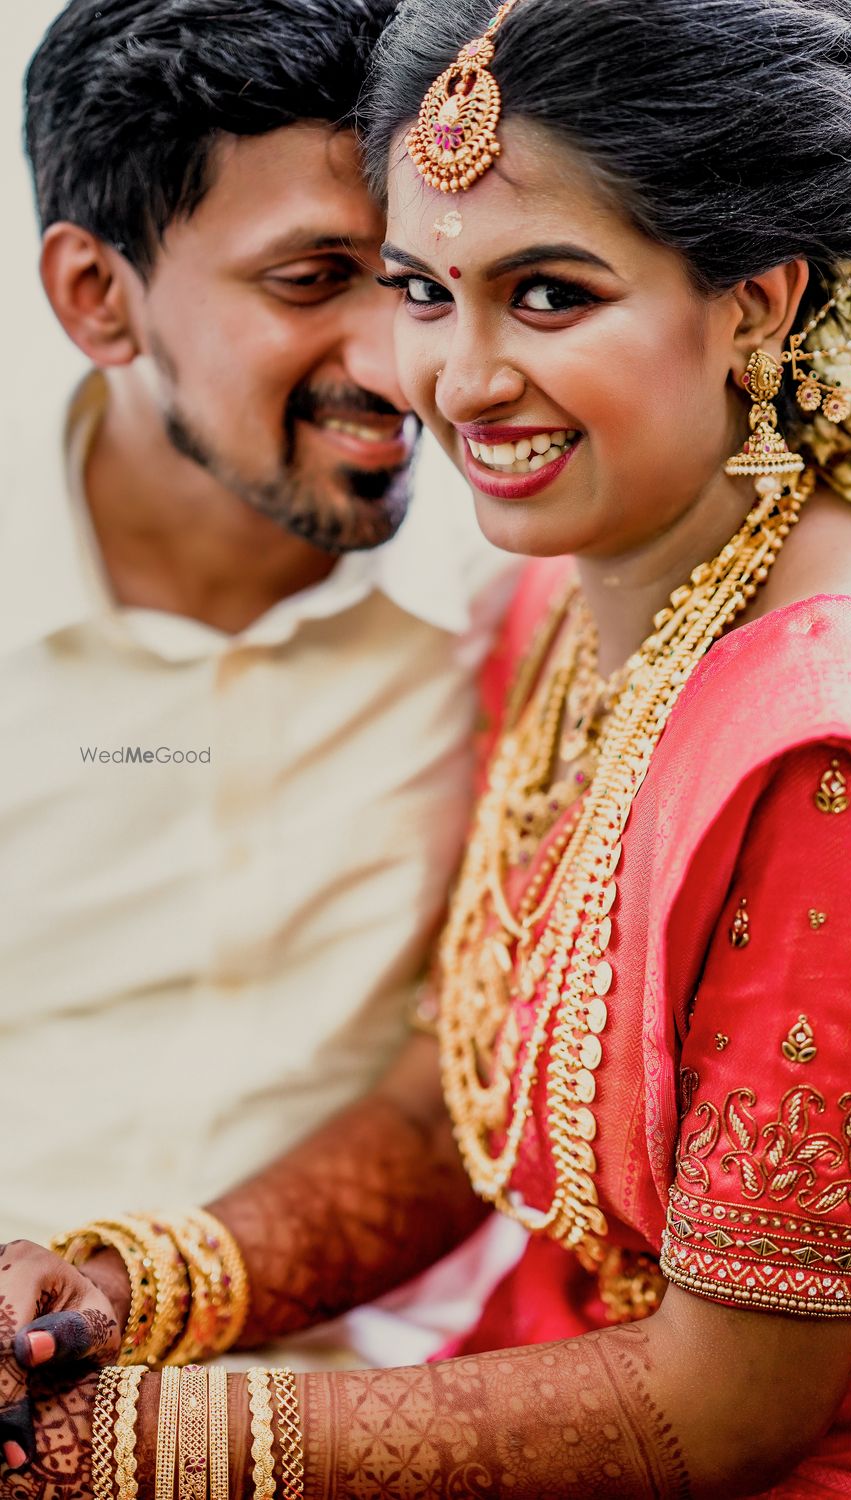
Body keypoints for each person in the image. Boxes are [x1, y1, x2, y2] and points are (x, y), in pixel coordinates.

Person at [4, 0, 851, 1497]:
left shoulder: (834, 762)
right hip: (510, 1360)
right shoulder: (555, 592)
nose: (450, 380)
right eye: (424, 285)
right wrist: (139, 1287)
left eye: (548, 296)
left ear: (757, 301)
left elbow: (726, 1410)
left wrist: (108, 1455)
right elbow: (445, 1087)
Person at [0, 0, 525, 1378]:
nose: (403, 361)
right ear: (94, 297)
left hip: (370, 1407)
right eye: (310, 279)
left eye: (416, 277)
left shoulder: (528, 606)